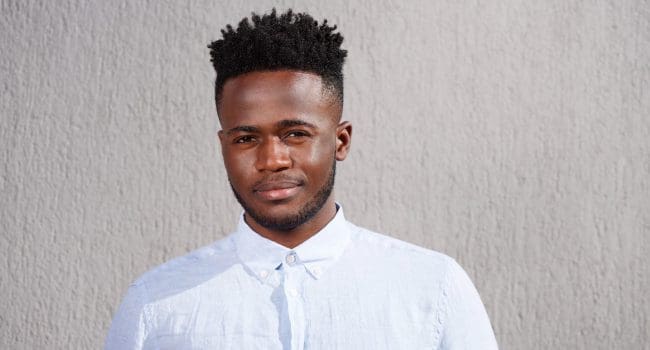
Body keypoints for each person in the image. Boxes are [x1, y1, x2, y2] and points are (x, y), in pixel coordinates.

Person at [105, 9, 498, 349]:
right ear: (224, 145)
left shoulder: (433, 287)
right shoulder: (155, 304)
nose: (272, 159)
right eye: (246, 138)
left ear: (340, 141)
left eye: (295, 134)